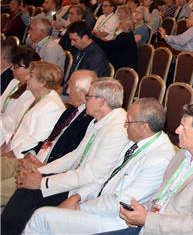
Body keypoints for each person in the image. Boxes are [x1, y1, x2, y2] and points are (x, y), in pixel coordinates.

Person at [23, 98, 176, 234]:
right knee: (43, 212)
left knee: (41, 217)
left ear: (144, 126)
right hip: (98, 205)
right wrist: (79, 196)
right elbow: (106, 176)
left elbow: (122, 202)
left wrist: (81, 207)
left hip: (115, 219)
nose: (124, 125)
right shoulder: (135, 140)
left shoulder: (159, 159)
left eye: (128, 121)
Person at [1, 78, 129, 235]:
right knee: (26, 191)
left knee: (28, 194)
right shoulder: (99, 120)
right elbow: (74, 156)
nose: (85, 100)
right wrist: (40, 171)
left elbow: (91, 175)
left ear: (101, 101)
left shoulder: (117, 129)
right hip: (74, 179)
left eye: (88, 97)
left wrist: (42, 182)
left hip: (83, 190)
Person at [112, 101, 193, 234]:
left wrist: (147, 219)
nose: (177, 130)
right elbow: (163, 196)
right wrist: (140, 212)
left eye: (183, 127)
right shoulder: (184, 153)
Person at [1, 70, 95, 205]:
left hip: (47, 171)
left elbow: (70, 157)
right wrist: (31, 154)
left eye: (71, 87)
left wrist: (43, 167)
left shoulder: (88, 122)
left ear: (82, 92)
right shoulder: (71, 110)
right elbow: (50, 139)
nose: (67, 91)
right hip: (35, 160)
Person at [0, 61, 65, 160]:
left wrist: (11, 155)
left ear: (42, 83)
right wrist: (5, 146)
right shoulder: (32, 98)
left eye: (31, 76)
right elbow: (17, 127)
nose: (26, 78)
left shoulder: (52, 107)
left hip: (24, 158)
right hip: (12, 150)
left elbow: (37, 141)